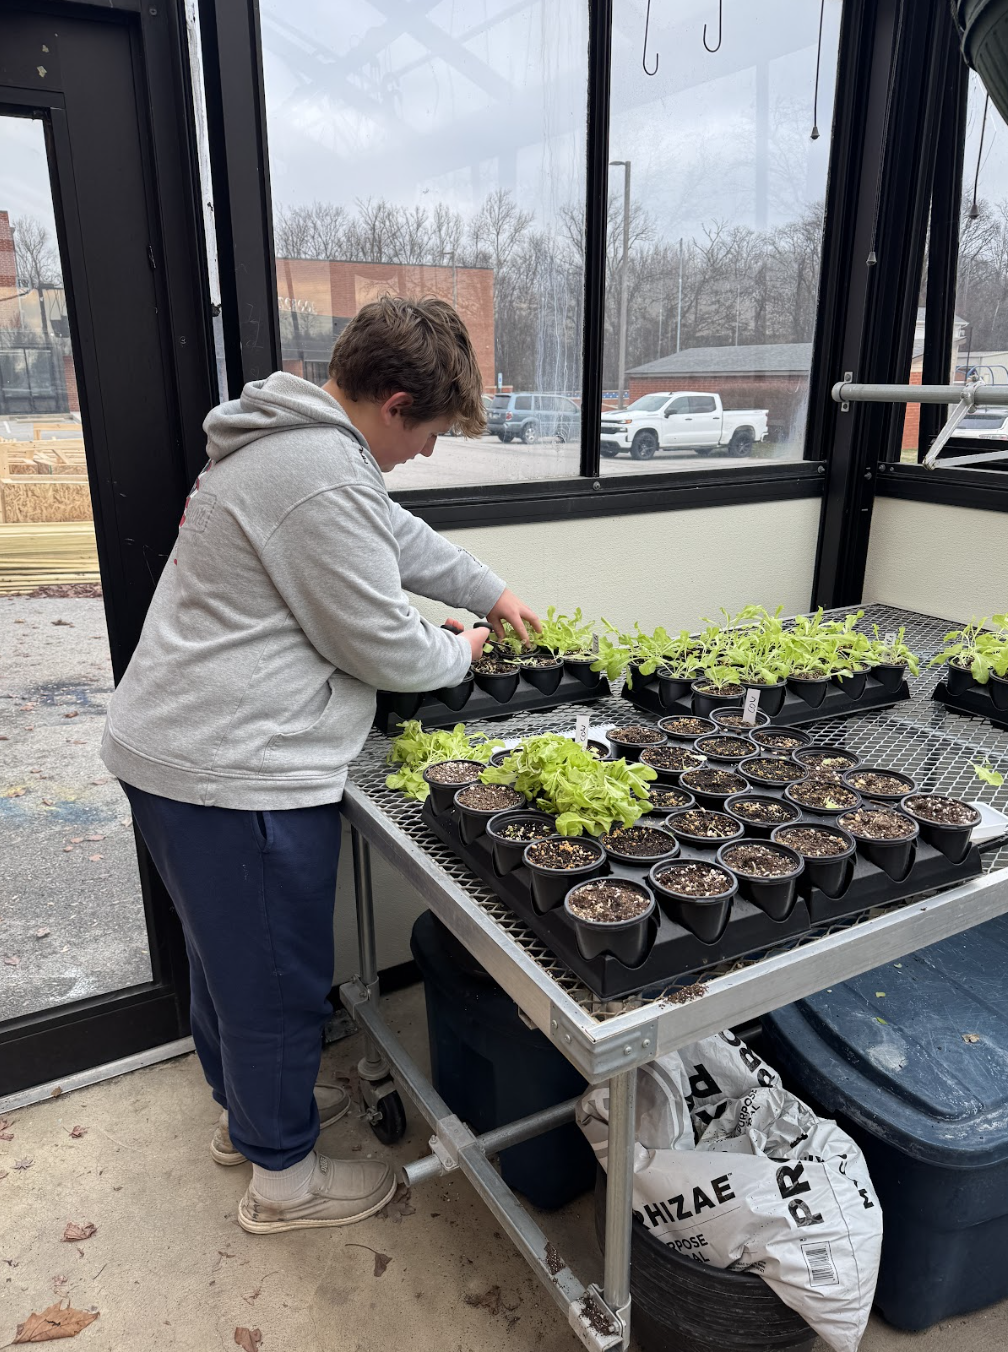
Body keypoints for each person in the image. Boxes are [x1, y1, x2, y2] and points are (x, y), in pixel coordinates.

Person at [100, 296, 540, 1234]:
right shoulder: (318, 471)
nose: (425, 453)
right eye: (426, 433)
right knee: (273, 983)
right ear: (391, 400)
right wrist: (460, 646)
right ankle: (284, 1183)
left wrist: (487, 589)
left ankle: (252, 1123)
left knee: (231, 969)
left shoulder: (299, 444)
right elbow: (383, 645)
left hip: (180, 752)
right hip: (230, 770)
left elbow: (391, 535)